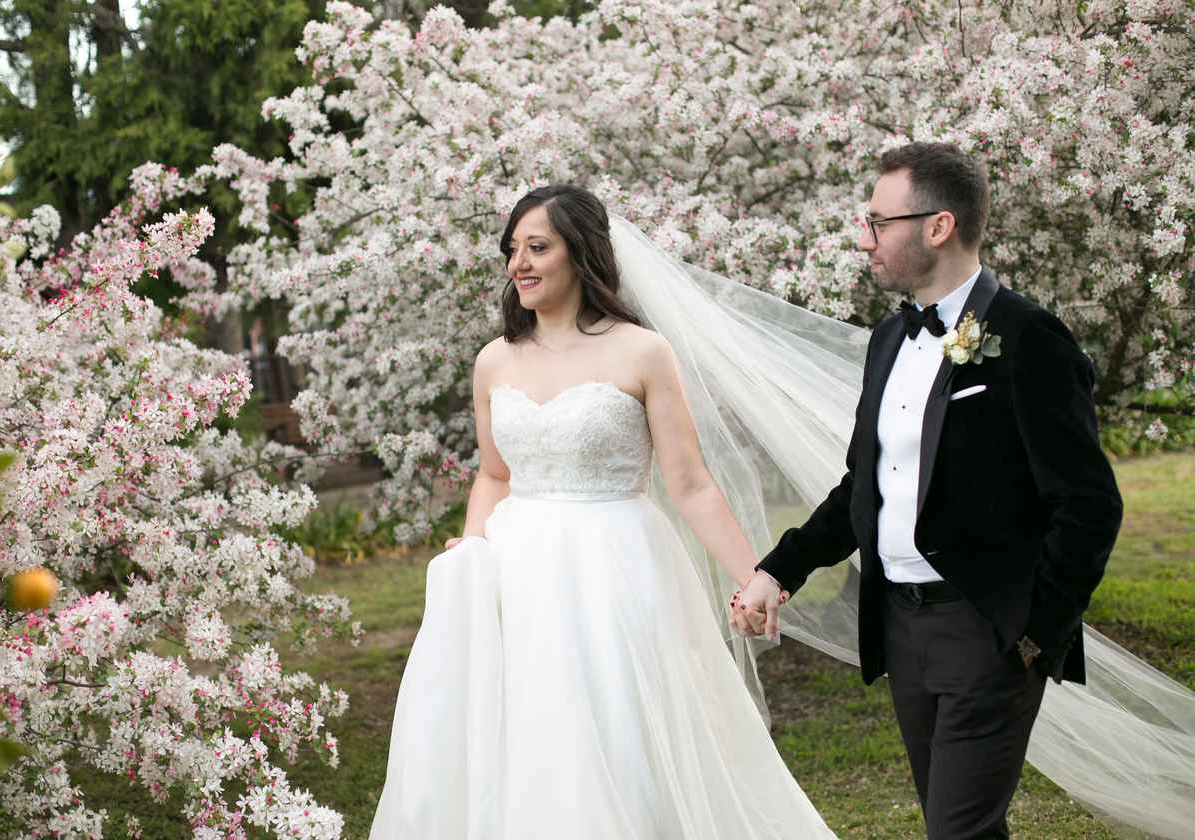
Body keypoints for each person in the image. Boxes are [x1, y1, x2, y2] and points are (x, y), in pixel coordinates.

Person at [369, 185, 837, 838]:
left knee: (620, 732)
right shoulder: (494, 360)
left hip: (616, 567)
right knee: (528, 739)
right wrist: (473, 546)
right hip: (515, 573)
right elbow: (495, 474)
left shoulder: (641, 352)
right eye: (512, 250)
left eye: (538, 247)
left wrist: (751, 578)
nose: (519, 264)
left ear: (580, 254)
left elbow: (691, 484)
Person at [733, 142, 1125, 839]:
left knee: (958, 832)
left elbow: (1090, 504)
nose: (865, 239)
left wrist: (1034, 633)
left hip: (987, 628)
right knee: (963, 824)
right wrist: (779, 568)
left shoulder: (1030, 339)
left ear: (937, 227)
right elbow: (866, 483)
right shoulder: (889, 339)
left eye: (879, 222)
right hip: (902, 628)